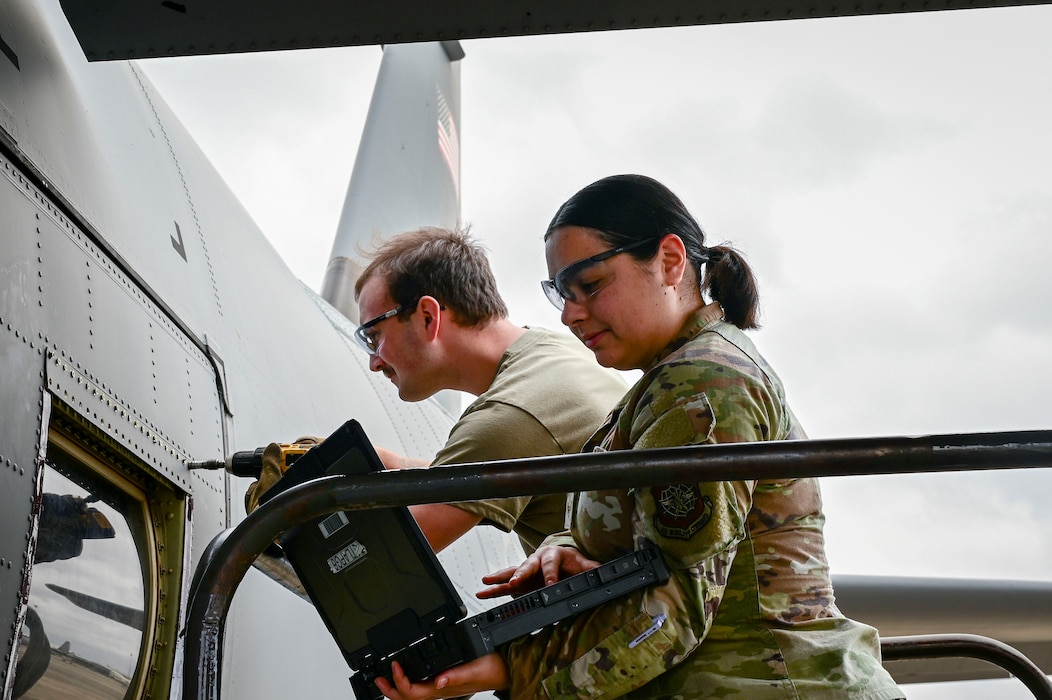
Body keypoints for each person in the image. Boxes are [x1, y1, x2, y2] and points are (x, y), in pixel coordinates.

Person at [376, 176, 904, 699]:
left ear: (670, 262)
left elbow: (673, 609)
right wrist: (567, 547)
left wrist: (512, 667)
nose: (570, 313)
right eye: (562, 293)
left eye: (591, 285)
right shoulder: (666, 384)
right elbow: (655, 545)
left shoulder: (700, 386)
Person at [350, 226, 625, 554]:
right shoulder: (554, 351)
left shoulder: (511, 415)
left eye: (374, 337)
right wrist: (395, 464)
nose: (374, 363)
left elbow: (380, 561)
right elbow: (492, 464)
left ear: (427, 317)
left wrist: (298, 509)